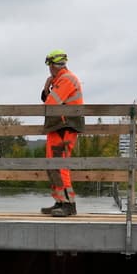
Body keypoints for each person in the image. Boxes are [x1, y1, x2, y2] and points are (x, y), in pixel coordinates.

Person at [40, 49, 84, 217]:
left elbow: (50, 104)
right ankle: (59, 201)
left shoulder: (67, 79)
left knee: (60, 165)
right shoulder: (59, 80)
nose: (49, 69)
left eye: (49, 65)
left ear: (53, 65)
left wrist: (47, 86)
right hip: (58, 127)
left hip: (65, 127)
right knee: (52, 166)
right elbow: (48, 100)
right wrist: (47, 86)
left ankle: (69, 204)